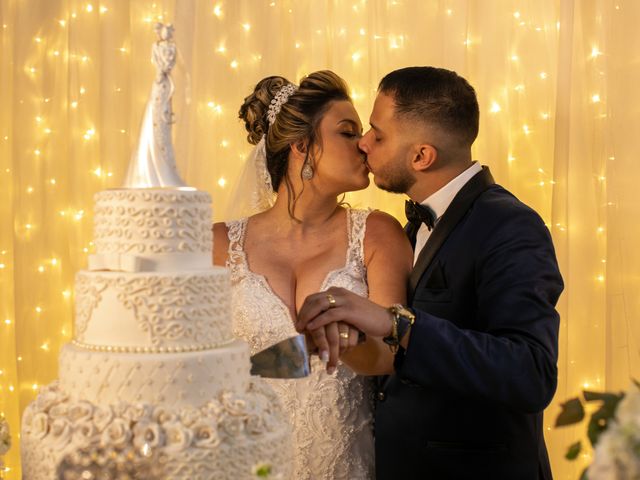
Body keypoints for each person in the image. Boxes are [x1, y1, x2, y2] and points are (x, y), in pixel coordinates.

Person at [296, 67, 564, 479]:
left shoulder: (510, 226)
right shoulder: (405, 230)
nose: (364, 144)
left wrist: (396, 323)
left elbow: (530, 373)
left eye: (377, 134)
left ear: (422, 156)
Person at [212, 70, 413, 479]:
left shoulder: (377, 233)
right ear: (301, 146)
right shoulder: (216, 243)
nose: (363, 144)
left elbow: (392, 354)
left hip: (342, 463)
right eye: (347, 131)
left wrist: (341, 338)